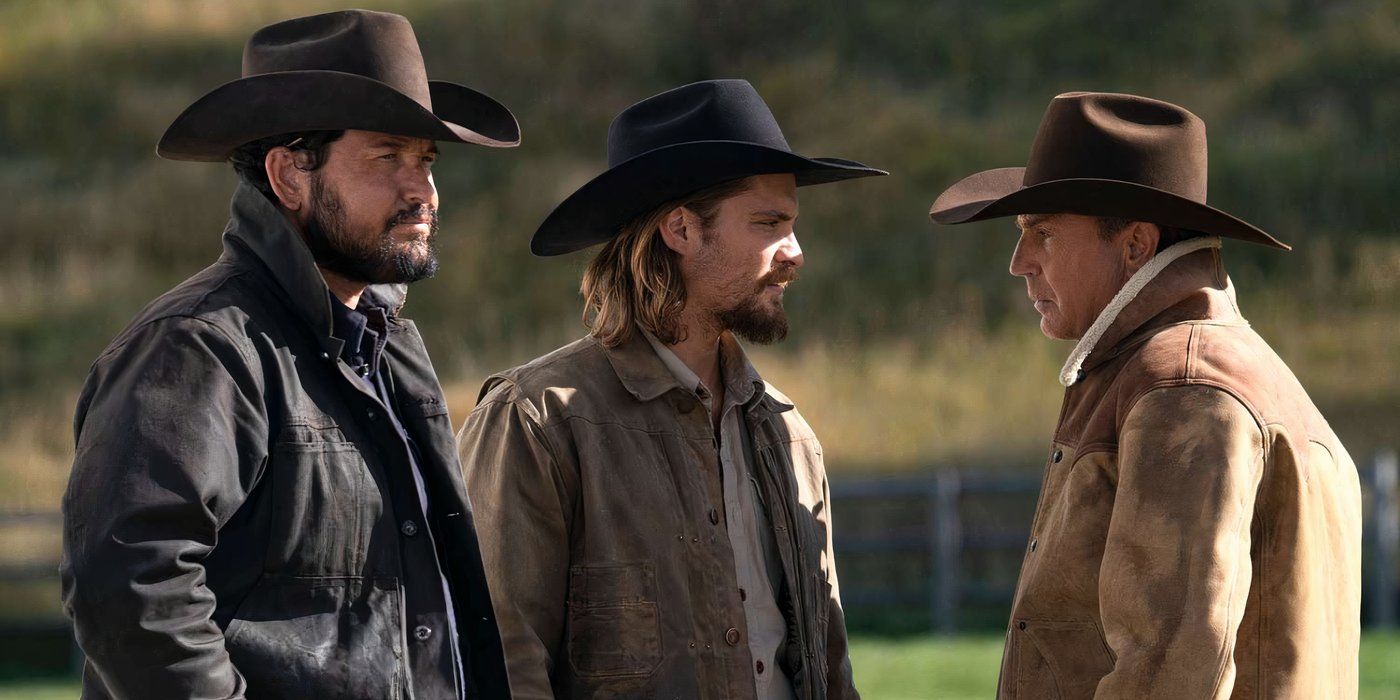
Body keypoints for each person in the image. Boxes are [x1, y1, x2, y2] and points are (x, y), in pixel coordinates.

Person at [60, 10, 520, 698]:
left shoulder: (388, 351)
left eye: (426, 161)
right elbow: (131, 589)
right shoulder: (197, 347)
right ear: (289, 176)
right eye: (386, 156)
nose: (421, 190)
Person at [457, 79, 885, 699]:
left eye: (792, 225)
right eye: (769, 223)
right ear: (681, 230)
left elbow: (830, 671)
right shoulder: (538, 423)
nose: (795, 252)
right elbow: (498, 662)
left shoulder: (788, 436)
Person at [930, 91, 1361, 698]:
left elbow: (1170, 669)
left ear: (1135, 245)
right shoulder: (1230, 370)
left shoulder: (1183, 388)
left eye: (1043, 232)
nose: (1018, 261)